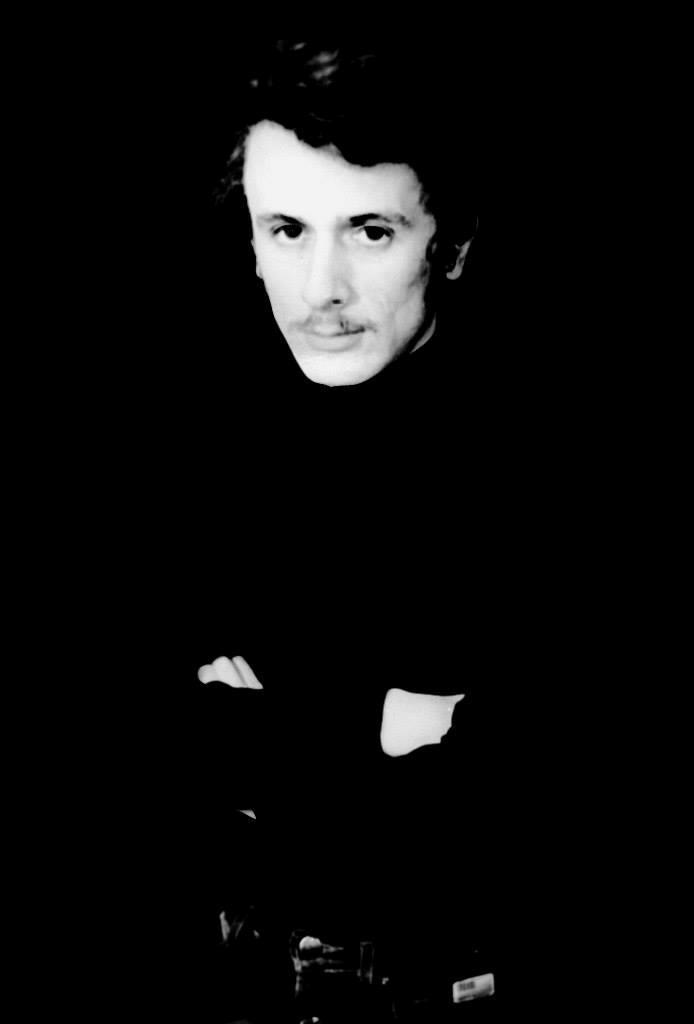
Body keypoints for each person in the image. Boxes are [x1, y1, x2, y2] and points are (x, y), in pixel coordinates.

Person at [181, 38, 532, 1022]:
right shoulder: (202, 441)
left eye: (371, 231)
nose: (319, 288)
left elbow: (513, 802)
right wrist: (386, 721)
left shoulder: (526, 456)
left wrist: (269, 734)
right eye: (286, 230)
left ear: (451, 244)